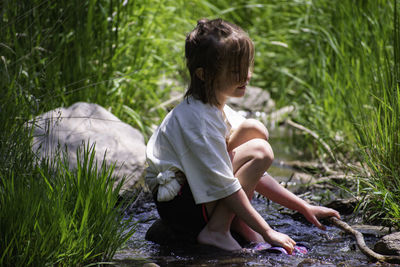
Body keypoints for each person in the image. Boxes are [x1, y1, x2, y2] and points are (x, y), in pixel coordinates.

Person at [145, 18, 340, 254]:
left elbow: (253, 173)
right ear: (204, 74)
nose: (246, 76)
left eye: (247, 67)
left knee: (255, 131)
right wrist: (268, 230)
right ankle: (217, 230)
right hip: (182, 207)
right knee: (260, 149)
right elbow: (227, 181)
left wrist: (303, 207)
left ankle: (235, 224)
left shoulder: (217, 107)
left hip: (199, 196)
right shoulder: (196, 120)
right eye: (236, 71)